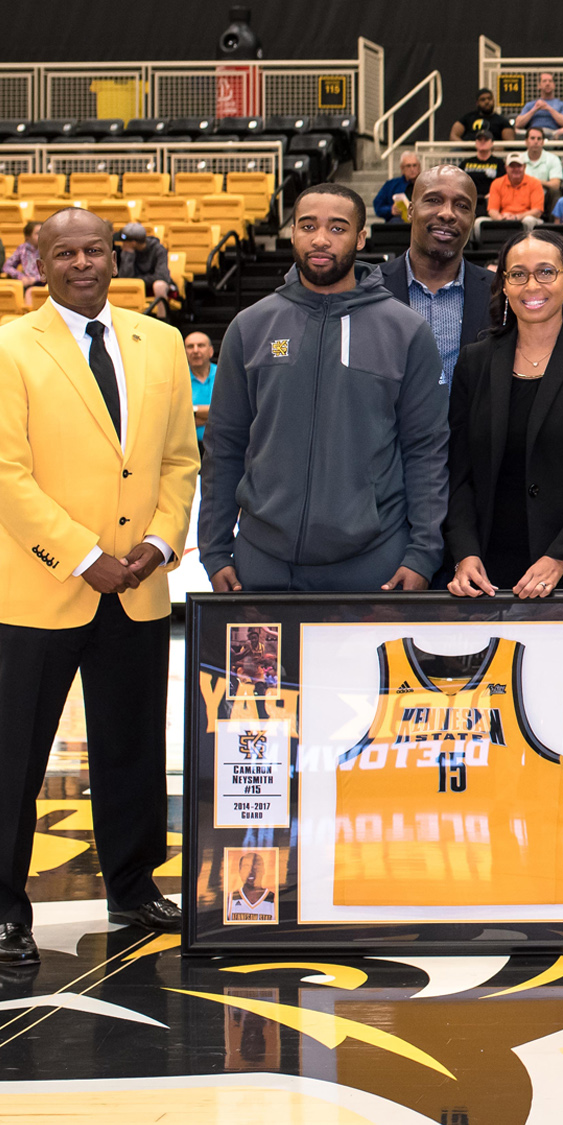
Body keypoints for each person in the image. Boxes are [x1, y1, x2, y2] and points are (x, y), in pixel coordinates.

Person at [0, 209, 200, 963]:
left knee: (133, 748)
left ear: (115, 255)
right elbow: (7, 476)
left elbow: (180, 459)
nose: (82, 263)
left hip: (139, 582)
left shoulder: (162, 341)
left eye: (94, 250)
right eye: (64, 253)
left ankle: (134, 882)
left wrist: (157, 542)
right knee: (15, 756)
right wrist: (84, 556)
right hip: (39, 587)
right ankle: (5, 907)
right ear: (38, 264)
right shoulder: (11, 347)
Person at [202, 183, 447, 594]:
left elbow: (426, 450)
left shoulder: (405, 330)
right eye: (308, 226)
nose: (321, 239)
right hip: (261, 565)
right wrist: (213, 548)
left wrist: (422, 553)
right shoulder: (250, 326)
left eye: (337, 228)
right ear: (292, 234)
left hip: (374, 564)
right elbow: (224, 444)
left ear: (360, 237)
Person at [445, 229, 563, 608]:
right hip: (489, 574)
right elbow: (457, 471)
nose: (532, 285)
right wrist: (465, 553)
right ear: (504, 284)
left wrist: (560, 556)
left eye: (545, 272)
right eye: (518, 274)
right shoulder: (475, 361)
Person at [380, 164, 492, 383]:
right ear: (411, 210)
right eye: (433, 200)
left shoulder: (499, 292)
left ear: (472, 218)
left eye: (462, 205)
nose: (447, 214)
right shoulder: (369, 288)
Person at [114, 222, 172, 309]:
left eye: (125, 242)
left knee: (159, 286)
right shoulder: (126, 252)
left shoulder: (158, 250)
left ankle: (162, 319)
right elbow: (124, 278)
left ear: (133, 243)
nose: (122, 244)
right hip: (136, 287)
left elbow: (161, 276)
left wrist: (138, 281)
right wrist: (128, 256)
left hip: (155, 286)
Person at [489, 153, 546, 228]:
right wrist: (501, 218)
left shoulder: (535, 183)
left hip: (525, 218)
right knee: (478, 222)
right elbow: (492, 210)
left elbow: (537, 211)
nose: (516, 169)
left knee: (528, 220)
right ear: (506, 168)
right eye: (512, 166)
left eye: (519, 166)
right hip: (503, 218)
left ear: (524, 167)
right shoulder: (496, 183)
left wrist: (517, 217)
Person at [513, 72, 563, 137]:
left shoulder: (562, 105)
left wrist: (548, 108)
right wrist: (534, 109)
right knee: (515, 131)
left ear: (554, 85)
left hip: (553, 133)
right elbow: (518, 124)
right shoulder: (530, 105)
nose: (547, 83)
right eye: (544, 81)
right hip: (532, 133)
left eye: (550, 81)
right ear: (539, 85)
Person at [373, 149, 422, 221]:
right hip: (399, 223)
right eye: (408, 166)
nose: (412, 169)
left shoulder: (426, 185)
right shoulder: (391, 185)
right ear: (402, 168)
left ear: (419, 167)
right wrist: (390, 210)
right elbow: (378, 206)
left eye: (414, 165)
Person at [186, 330, 215, 449]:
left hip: (222, 447)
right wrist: (214, 418)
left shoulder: (225, 375)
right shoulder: (177, 379)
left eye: (201, 345)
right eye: (190, 346)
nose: (195, 350)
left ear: (211, 351)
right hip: (189, 449)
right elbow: (177, 418)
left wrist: (194, 412)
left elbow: (232, 412)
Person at [459, 130, 503, 200]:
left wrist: (494, 194)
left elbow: (503, 183)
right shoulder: (465, 163)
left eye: (486, 139)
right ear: (475, 142)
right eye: (479, 139)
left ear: (492, 143)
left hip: (491, 200)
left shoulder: (499, 163)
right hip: (468, 199)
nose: (482, 142)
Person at [521, 127, 563, 193]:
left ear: (543, 142)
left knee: (555, 193)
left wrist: (536, 182)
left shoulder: (553, 159)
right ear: (526, 141)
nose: (536, 141)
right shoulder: (519, 159)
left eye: (539, 139)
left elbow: (556, 185)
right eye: (532, 138)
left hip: (544, 195)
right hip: (523, 194)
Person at [1, 221, 40, 286]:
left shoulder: (50, 249)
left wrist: (35, 279)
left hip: (45, 283)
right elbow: (7, 266)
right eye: (38, 233)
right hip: (26, 283)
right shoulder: (22, 248)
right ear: (28, 237)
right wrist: (20, 276)